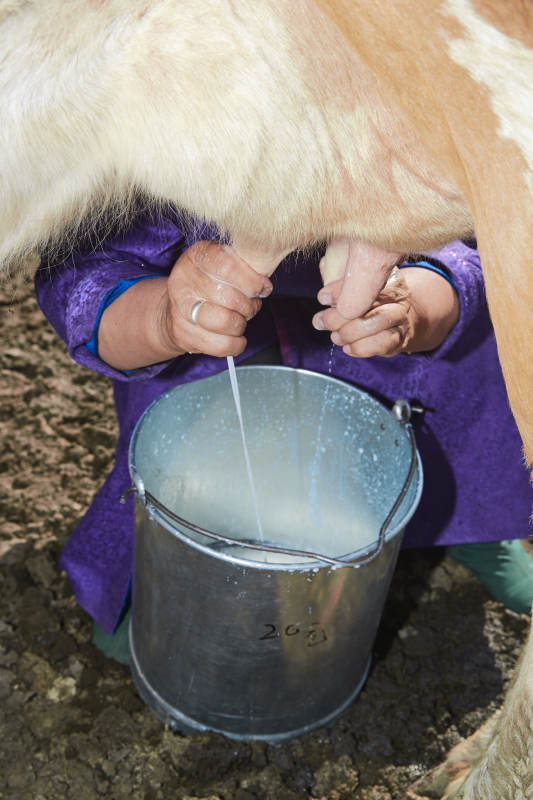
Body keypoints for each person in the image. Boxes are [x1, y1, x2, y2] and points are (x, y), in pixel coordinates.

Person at [35, 209, 533, 665]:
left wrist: (414, 306)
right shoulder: (149, 144)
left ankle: (463, 516)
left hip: (396, 333)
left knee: (457, 420)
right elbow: (83, 276)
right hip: (217, 355)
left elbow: (474, 237)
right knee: (149, 632)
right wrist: (164, 318)